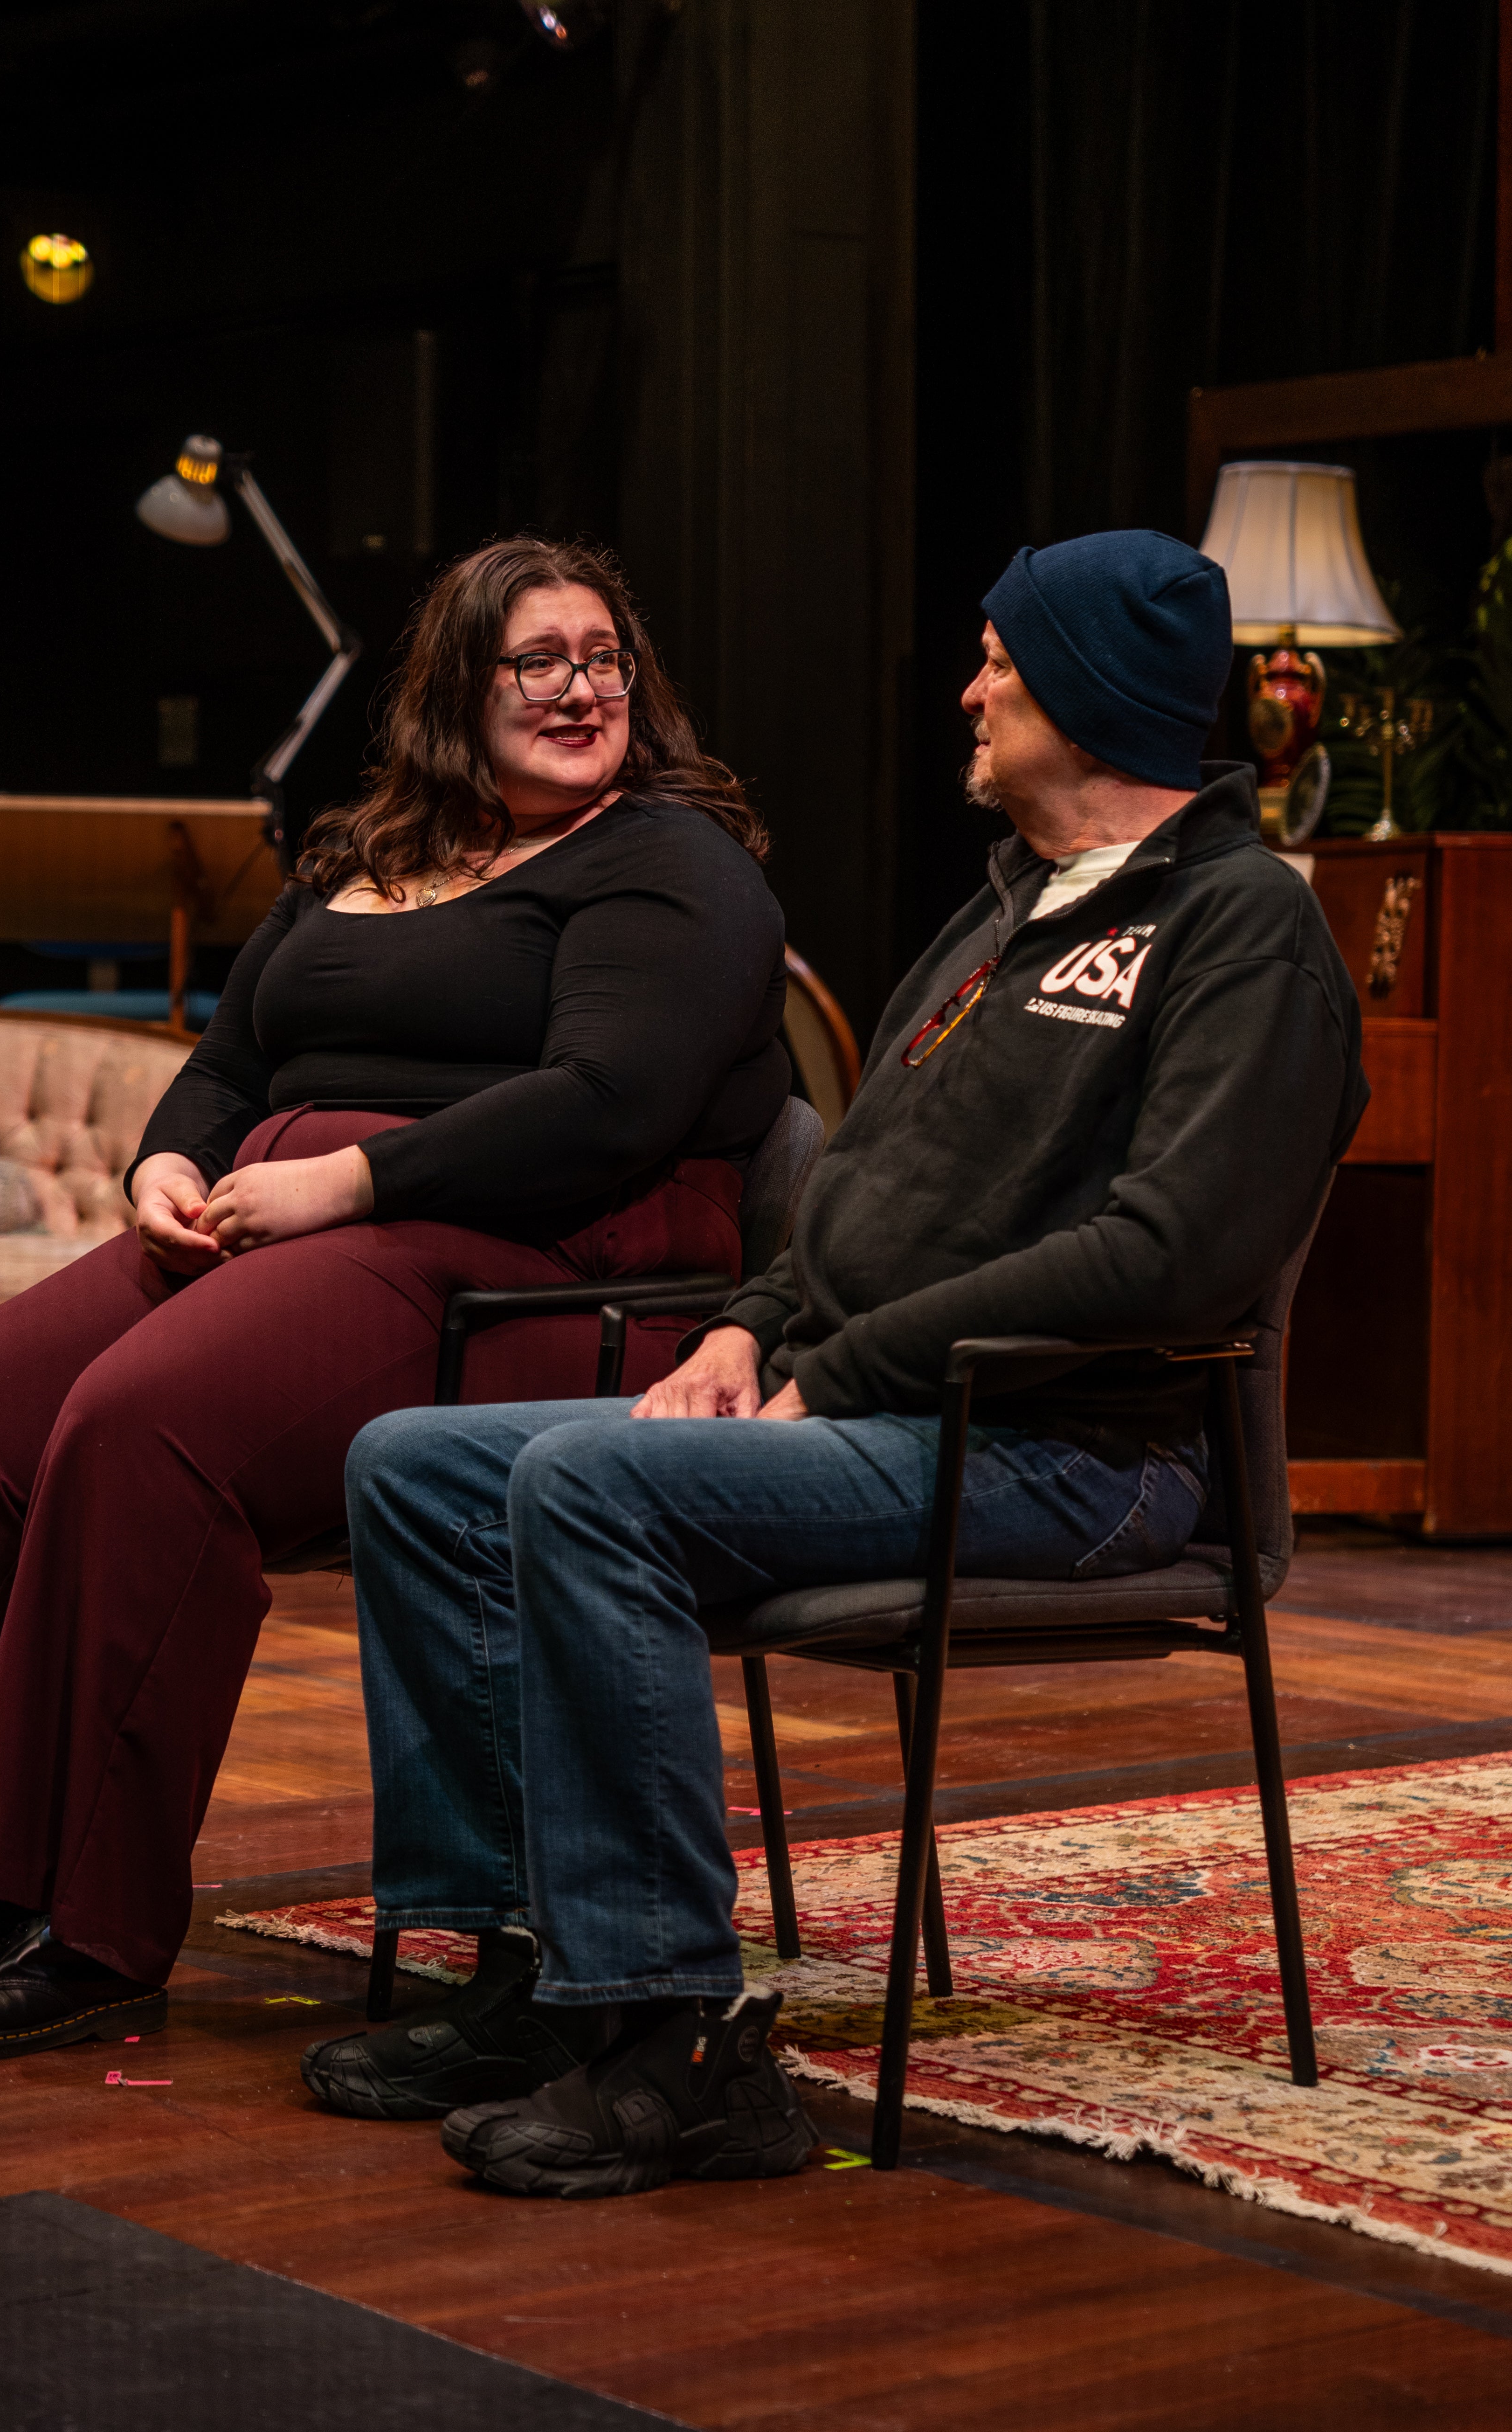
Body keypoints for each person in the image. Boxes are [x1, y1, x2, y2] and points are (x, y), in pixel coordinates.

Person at [305, 527, 1370, 2199]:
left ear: (1085, 707)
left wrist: (848, 1365)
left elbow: (1177, 1256)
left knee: (592, 1486)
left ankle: (674, 2047)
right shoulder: (995, 927)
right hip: (910, 1405)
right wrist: (749, 1328)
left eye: (1001, 669)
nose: (970, 691)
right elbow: (860, 1207)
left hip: (1087, 1458)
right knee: (415, 1465)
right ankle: (533, 1972)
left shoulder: (1241, 931)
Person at [0, 538, 790, 2060]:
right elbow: (231, 1063)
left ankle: (77, 1919)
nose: (579, 688)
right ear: (456, 691)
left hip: (536, 1253)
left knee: (148, 1423)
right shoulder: (368, 853)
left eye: (604, 657)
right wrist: (167, 1163)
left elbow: (607, 1105)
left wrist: (348, 1181)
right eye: (536, 660)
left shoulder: (668, 862)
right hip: (285, 1222)